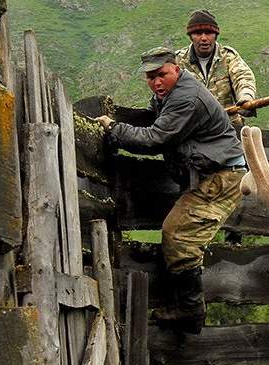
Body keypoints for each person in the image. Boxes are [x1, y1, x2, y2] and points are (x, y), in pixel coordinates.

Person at [93, 47, 246, 334]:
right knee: (176, 233)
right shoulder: (168, 95)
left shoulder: (187, 97)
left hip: (223, 177)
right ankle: (184, 305)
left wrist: (115, 129)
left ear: (176, 68)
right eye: (150, 77)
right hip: (211, 173)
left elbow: (156, 138)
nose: (156, 82)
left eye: (161, 74)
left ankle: (190, 309)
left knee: (179, 235)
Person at [176, 9, 257, 129]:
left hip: (229, 128)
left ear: (216, 35)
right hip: (193, 130)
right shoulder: (178, 61)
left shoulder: (228, 57)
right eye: (198, 33)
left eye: (208, 33)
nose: (204, 38)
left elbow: (243, 77)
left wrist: (246, 97)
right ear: (191, 36)